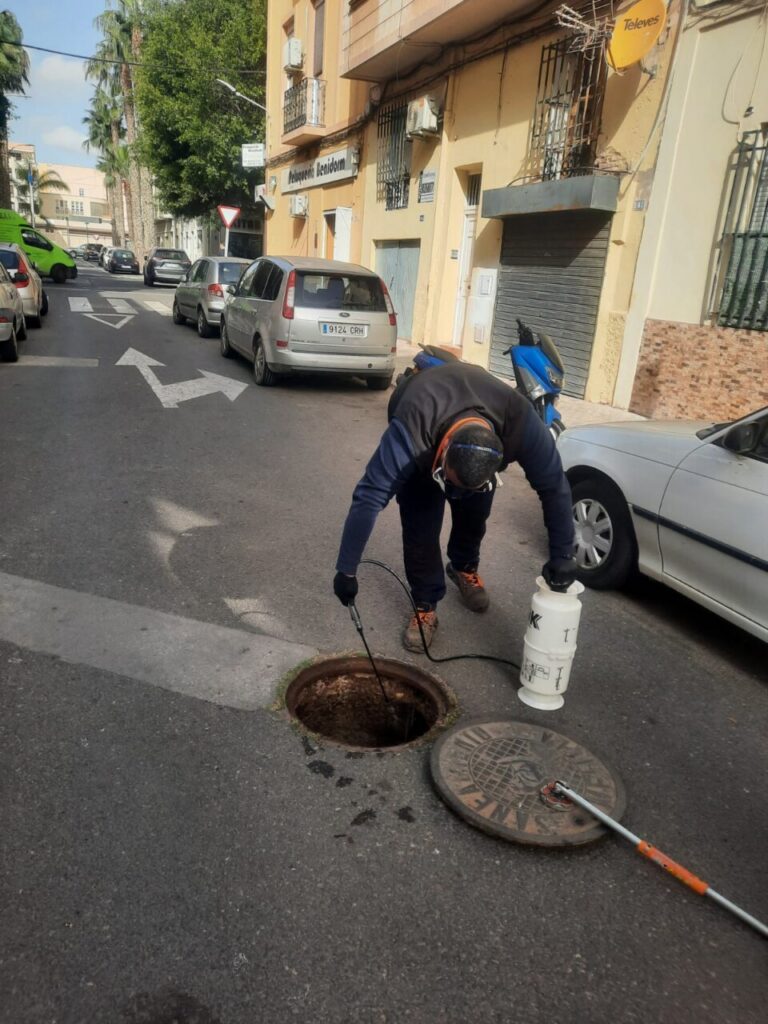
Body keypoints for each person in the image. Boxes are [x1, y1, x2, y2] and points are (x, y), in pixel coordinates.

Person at [332, 360, 577, 651]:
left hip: (477, 433)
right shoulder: (413, 430)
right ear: (443, 453)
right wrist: (346, 570)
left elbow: (555, 487)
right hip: (426, 423)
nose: (455, 493)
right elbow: (369, 495)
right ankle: (425, 603)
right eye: (450, 480)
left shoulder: (520, 422)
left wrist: (563, 553)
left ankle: (463, 566)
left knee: (474, 513)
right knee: (420, 526)